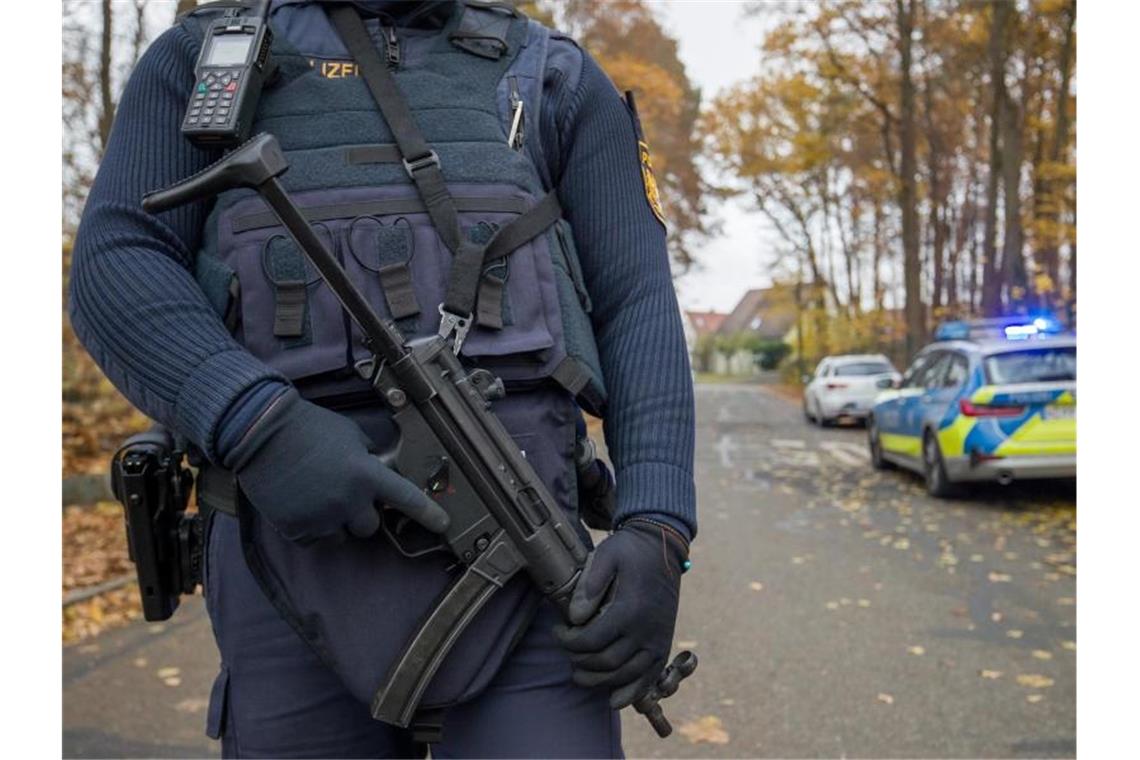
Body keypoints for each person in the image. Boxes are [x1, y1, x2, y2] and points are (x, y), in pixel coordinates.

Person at [70, 0, 696, 756]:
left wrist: (659, 526)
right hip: (287, 562)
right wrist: (254, 423)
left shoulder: (556, 77)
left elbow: (638, 299)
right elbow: (117, 262)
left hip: (530, 564)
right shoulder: (202, 61)